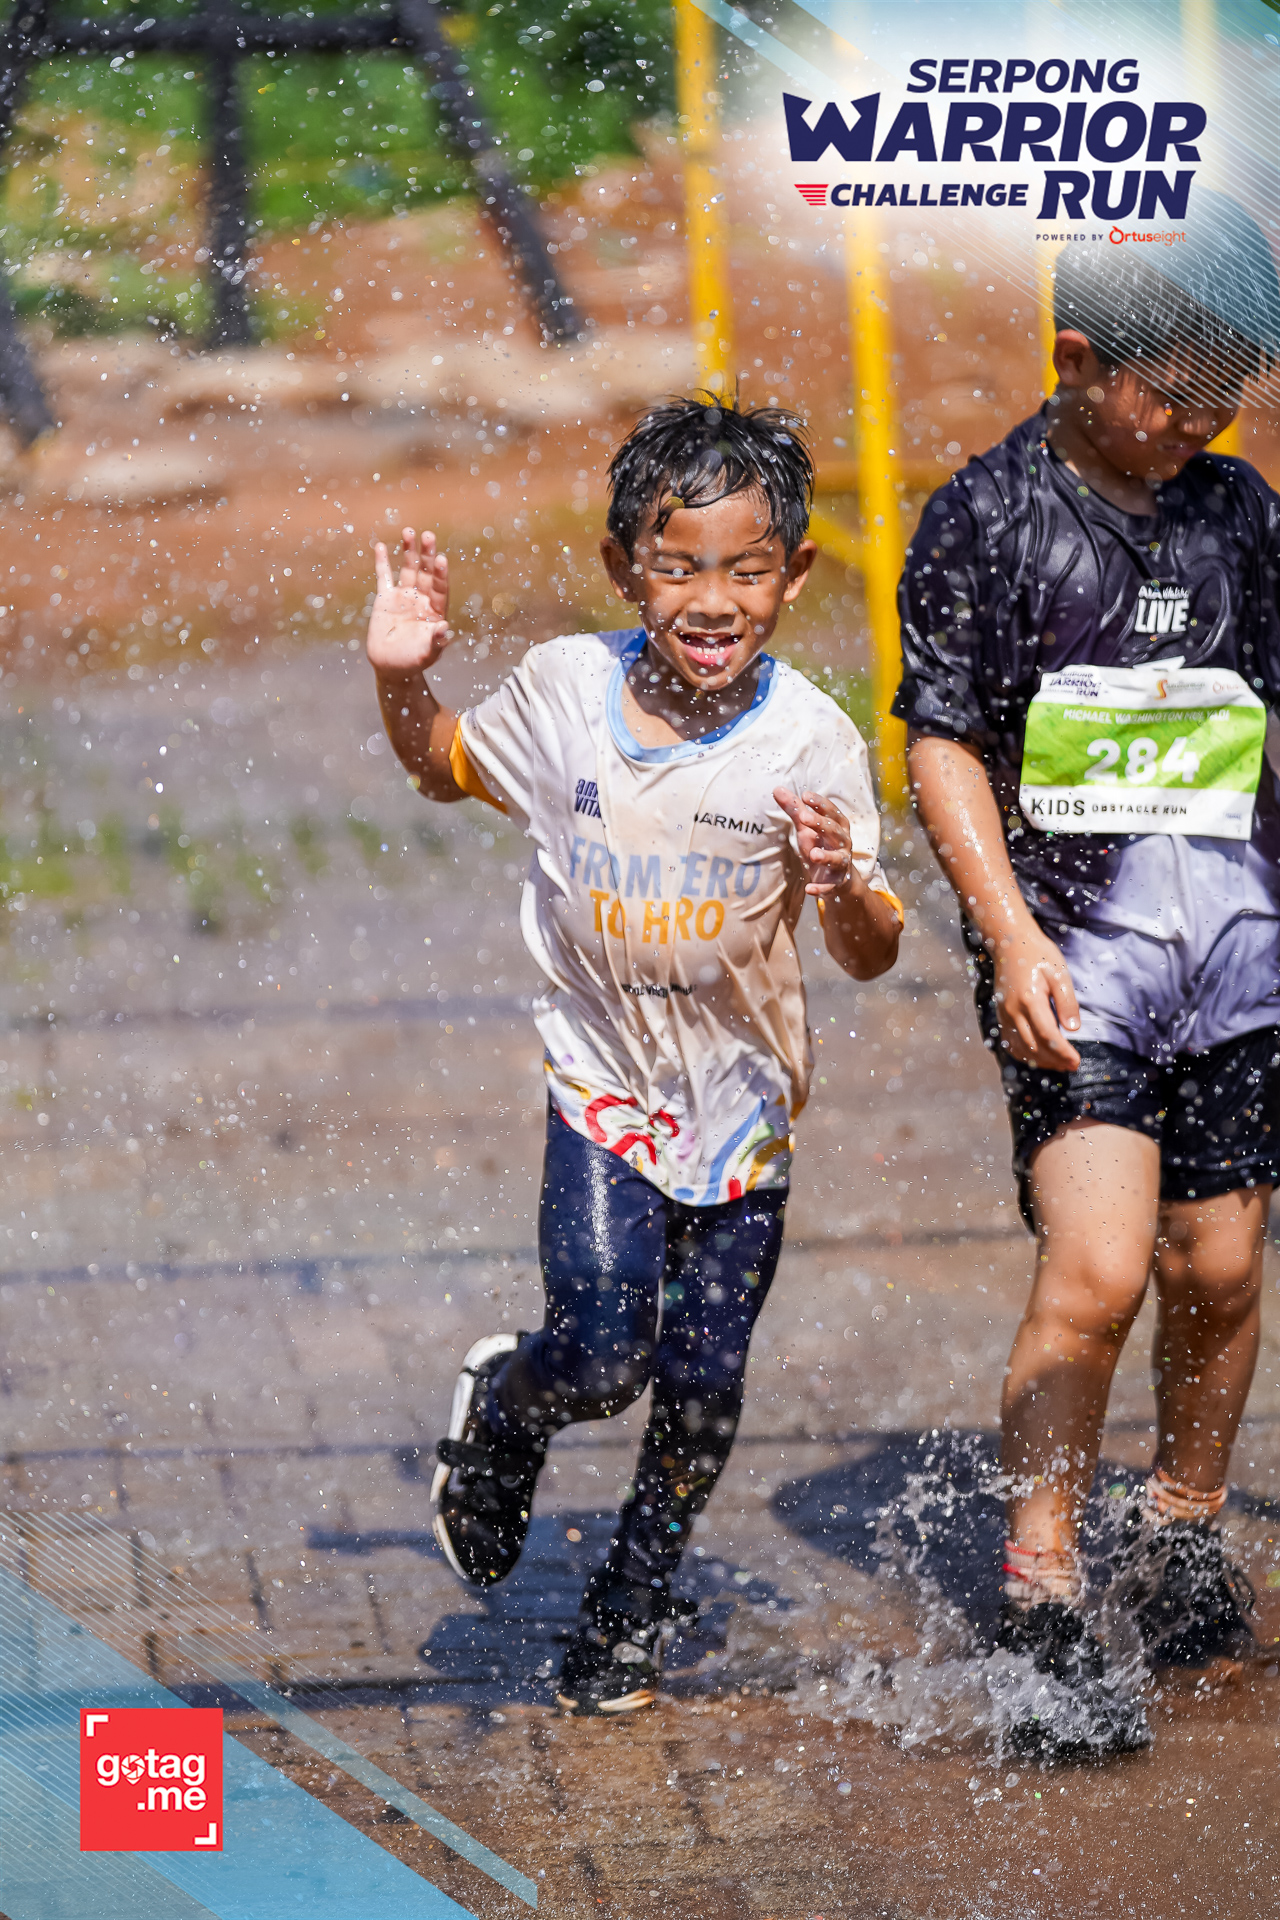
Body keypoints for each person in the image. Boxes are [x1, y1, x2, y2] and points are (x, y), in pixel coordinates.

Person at [364, 395, 902, 1713]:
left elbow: (873, 949)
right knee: (605, 1356)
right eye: (677, 568)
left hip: (745, 1105)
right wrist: (401, 679)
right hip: (603, 1086)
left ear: (794, 574)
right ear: (624, 569)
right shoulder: (565, 694)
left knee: (704, 1386)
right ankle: (509, 1411)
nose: (712, 602)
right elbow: (441, 766)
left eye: (746, 570)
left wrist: (841, 883)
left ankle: (631, 1599)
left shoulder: (810, 742)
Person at [898, 191, 1280, 1756]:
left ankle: (1182, 1527)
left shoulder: (1239, 512)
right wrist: (1008, 934)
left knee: (1224, 1266)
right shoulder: (986, 519)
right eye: (1174, 400)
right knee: (1104, 1269)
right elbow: (941, 741)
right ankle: (1043, 1579)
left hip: (1238, 958)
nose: (1201, 427)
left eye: (1227, 400)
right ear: (1076, 361)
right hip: (1080, 963)